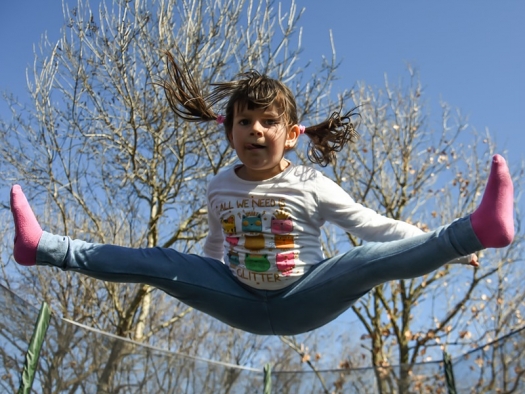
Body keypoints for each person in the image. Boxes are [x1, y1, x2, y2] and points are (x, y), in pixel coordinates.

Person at [10, 54, 515, 336]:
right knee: (157, 262)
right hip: (239, 298)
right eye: (244, 121)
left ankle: (474, 231)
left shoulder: (309, 184)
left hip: (305, 296)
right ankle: (42, 249)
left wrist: (447, 252)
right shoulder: (218, 186)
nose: (255, 131)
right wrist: (194, 279)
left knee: (368, 260)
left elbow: (371, 224)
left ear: (291, 134)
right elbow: (212, 248)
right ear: (228, 130)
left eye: (267, 122)